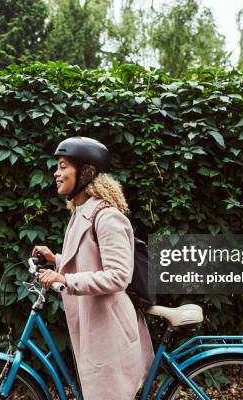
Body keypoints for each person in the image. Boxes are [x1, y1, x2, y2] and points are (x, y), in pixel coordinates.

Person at [32, 136, 155, 400]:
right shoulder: (80, 211)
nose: (56, 173)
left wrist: (66, 280)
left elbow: (118, 275)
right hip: (96, 323)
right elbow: (91, 258)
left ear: (85, 172)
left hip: (110, 330)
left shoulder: (107, 216)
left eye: (63, 166)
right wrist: (57, 259)